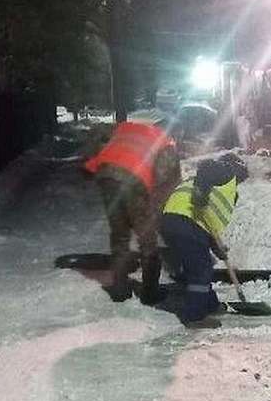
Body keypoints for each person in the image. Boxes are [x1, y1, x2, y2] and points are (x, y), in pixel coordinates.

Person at [84, 121, 178, 304]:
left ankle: (120, 290)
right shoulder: (167, 143)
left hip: (106, 174)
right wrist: (157, 213)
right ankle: (150, 294)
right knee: (147, 241)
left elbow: (99, 137)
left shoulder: (129, 128)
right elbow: (164, 180)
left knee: (120, 236)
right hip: (134, 180)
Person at [160, 153, 249, 330]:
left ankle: (210, 305)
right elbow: (207, 166)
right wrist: (200, 194)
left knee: (200, 265)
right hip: (186, 221)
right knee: (201, 269)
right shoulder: (225, 170)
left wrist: (217, 249)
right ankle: (195, 317)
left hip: (174, 221)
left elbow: (208, 223)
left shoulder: (219, 185)